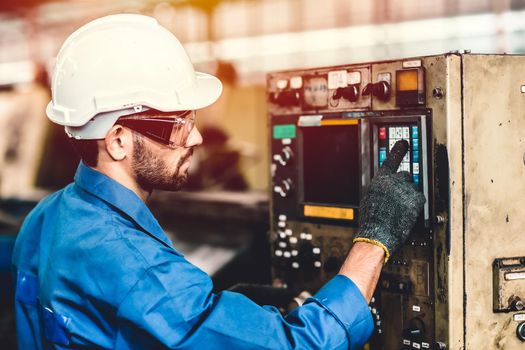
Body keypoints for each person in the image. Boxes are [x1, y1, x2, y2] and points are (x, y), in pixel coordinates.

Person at [12, 14, 425, 350]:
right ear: (118, 140)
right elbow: (299, 345)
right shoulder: (138, 267)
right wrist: (374, 239)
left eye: (191, 120)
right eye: (176, 126)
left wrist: (217, 312)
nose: (195, 138)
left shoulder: (45, 220)